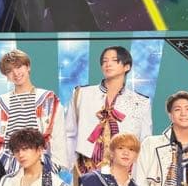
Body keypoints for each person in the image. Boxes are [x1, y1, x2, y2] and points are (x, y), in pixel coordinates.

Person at [65, 46, 152, 176]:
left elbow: (144, 142)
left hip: (125, 171)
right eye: (104, 61)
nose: (108, 64)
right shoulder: (82, 94)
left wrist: (139, 174)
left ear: (127, 67)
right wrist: (72, 164)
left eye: (114, 60)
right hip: (86, 168)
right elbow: (69, 133)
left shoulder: (141, 102)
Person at [0, 49, 66, 172]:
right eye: (9, 71)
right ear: (6, 76)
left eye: (18, 67)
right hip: (6, 167)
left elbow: (59, 135)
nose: (15, 73)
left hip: (41, 165)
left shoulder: (47, 99)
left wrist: (54, 166)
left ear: (28, 67)